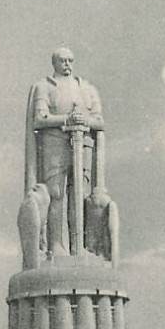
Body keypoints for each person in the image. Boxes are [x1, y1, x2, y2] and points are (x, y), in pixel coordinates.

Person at [28, 47, 104, 253]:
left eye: (70, 60)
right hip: (54, 144)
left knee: (80, 195)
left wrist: (84, 121)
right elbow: (39, 118)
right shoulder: (44, 87)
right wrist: (66, 119)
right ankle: (56, 244)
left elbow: (99, 121)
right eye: (63, 61)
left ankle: (80, 247)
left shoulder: (87, 89)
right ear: (54, 63)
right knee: (56, 194)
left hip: (82, 146)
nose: (67, 64)